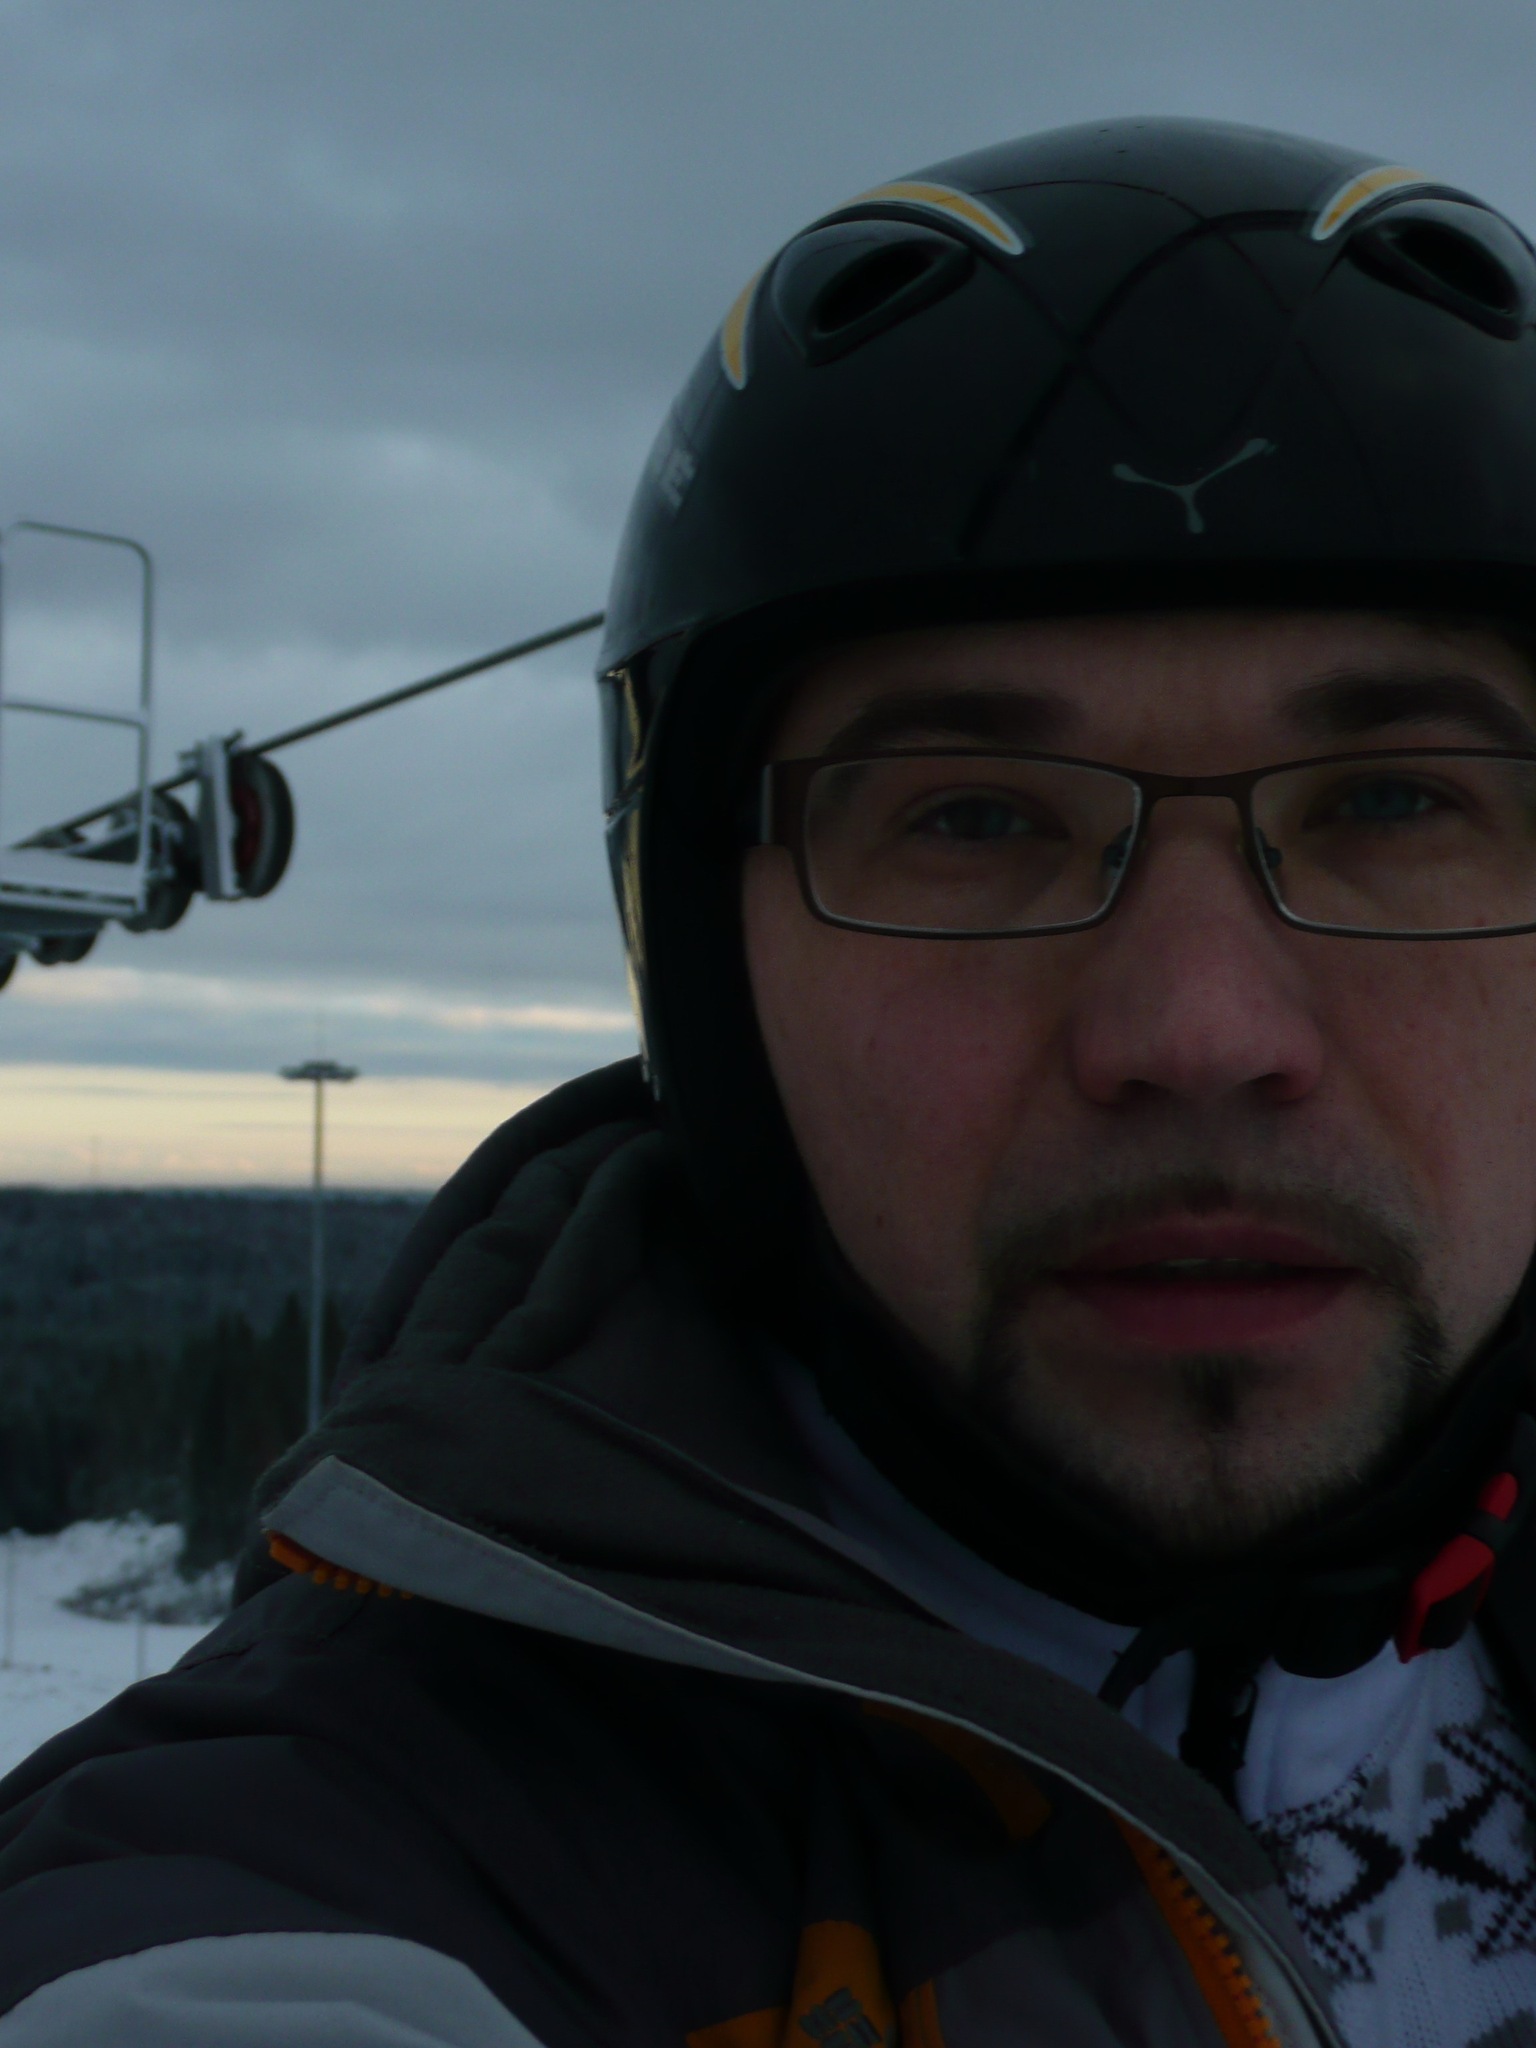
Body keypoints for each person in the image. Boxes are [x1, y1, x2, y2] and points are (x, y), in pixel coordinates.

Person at [2, 116, 1536, 2048]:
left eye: (1392, 804)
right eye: (974, 819)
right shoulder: (347, 1862)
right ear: (714, 973)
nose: (1200, 1031)